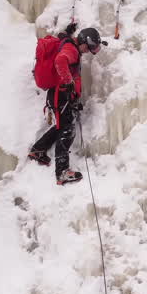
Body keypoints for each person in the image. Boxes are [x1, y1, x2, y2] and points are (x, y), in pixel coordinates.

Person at [28, 26, 106, 185]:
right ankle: (62, 172)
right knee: (67, 129)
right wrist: (68, 82)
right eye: (88, 48)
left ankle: (38, 150)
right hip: (61, 94)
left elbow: (62, 36)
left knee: (61, 125)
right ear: (83, 41)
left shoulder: (68, 42)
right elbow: (60, 60)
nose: (87, 51)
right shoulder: (71, 49)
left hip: (59, 94)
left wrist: (68, 30)